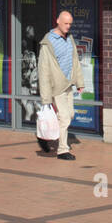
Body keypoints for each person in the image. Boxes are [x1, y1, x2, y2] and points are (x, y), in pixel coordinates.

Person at [38, 10, 85, 160]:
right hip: (56, 87)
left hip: (68, 85)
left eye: (70, 24)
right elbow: (43, 71)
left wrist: (79, 82)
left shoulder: (69, 38)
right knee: (64, 118)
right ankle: (62, 150)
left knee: (69, 115)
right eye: (65, 23)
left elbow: (75, 61)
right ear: (57, 21)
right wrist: (45, 98)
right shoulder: (48, 43)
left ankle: (45, 137)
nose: (68, 26)